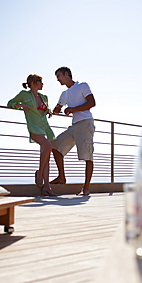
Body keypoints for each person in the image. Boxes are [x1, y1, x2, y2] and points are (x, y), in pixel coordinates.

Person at [7, 74, 56, 196]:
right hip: (34, 127)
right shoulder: (24, 94)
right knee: (48, 147)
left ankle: (47, 186)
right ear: (33, 82)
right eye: (40, 81)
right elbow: (10, 103)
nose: (42, 84)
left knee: (47, 157)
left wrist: (48, 110)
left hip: (45, 127)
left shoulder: (44, 97)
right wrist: (20, 105)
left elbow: (44, 108)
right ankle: (39, 173)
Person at [51, 66, 96, 196]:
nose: (57, 79)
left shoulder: (82, 85)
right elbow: (58, 107)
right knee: (55, 146)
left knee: (87, 156)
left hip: (85, 123)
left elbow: (92, 102)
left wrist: (73, 109)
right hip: (74, 126)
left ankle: (86, 188)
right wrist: (56, 109)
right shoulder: (64, 94)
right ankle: (61, 177)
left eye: (59, 76)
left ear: (66, 74)